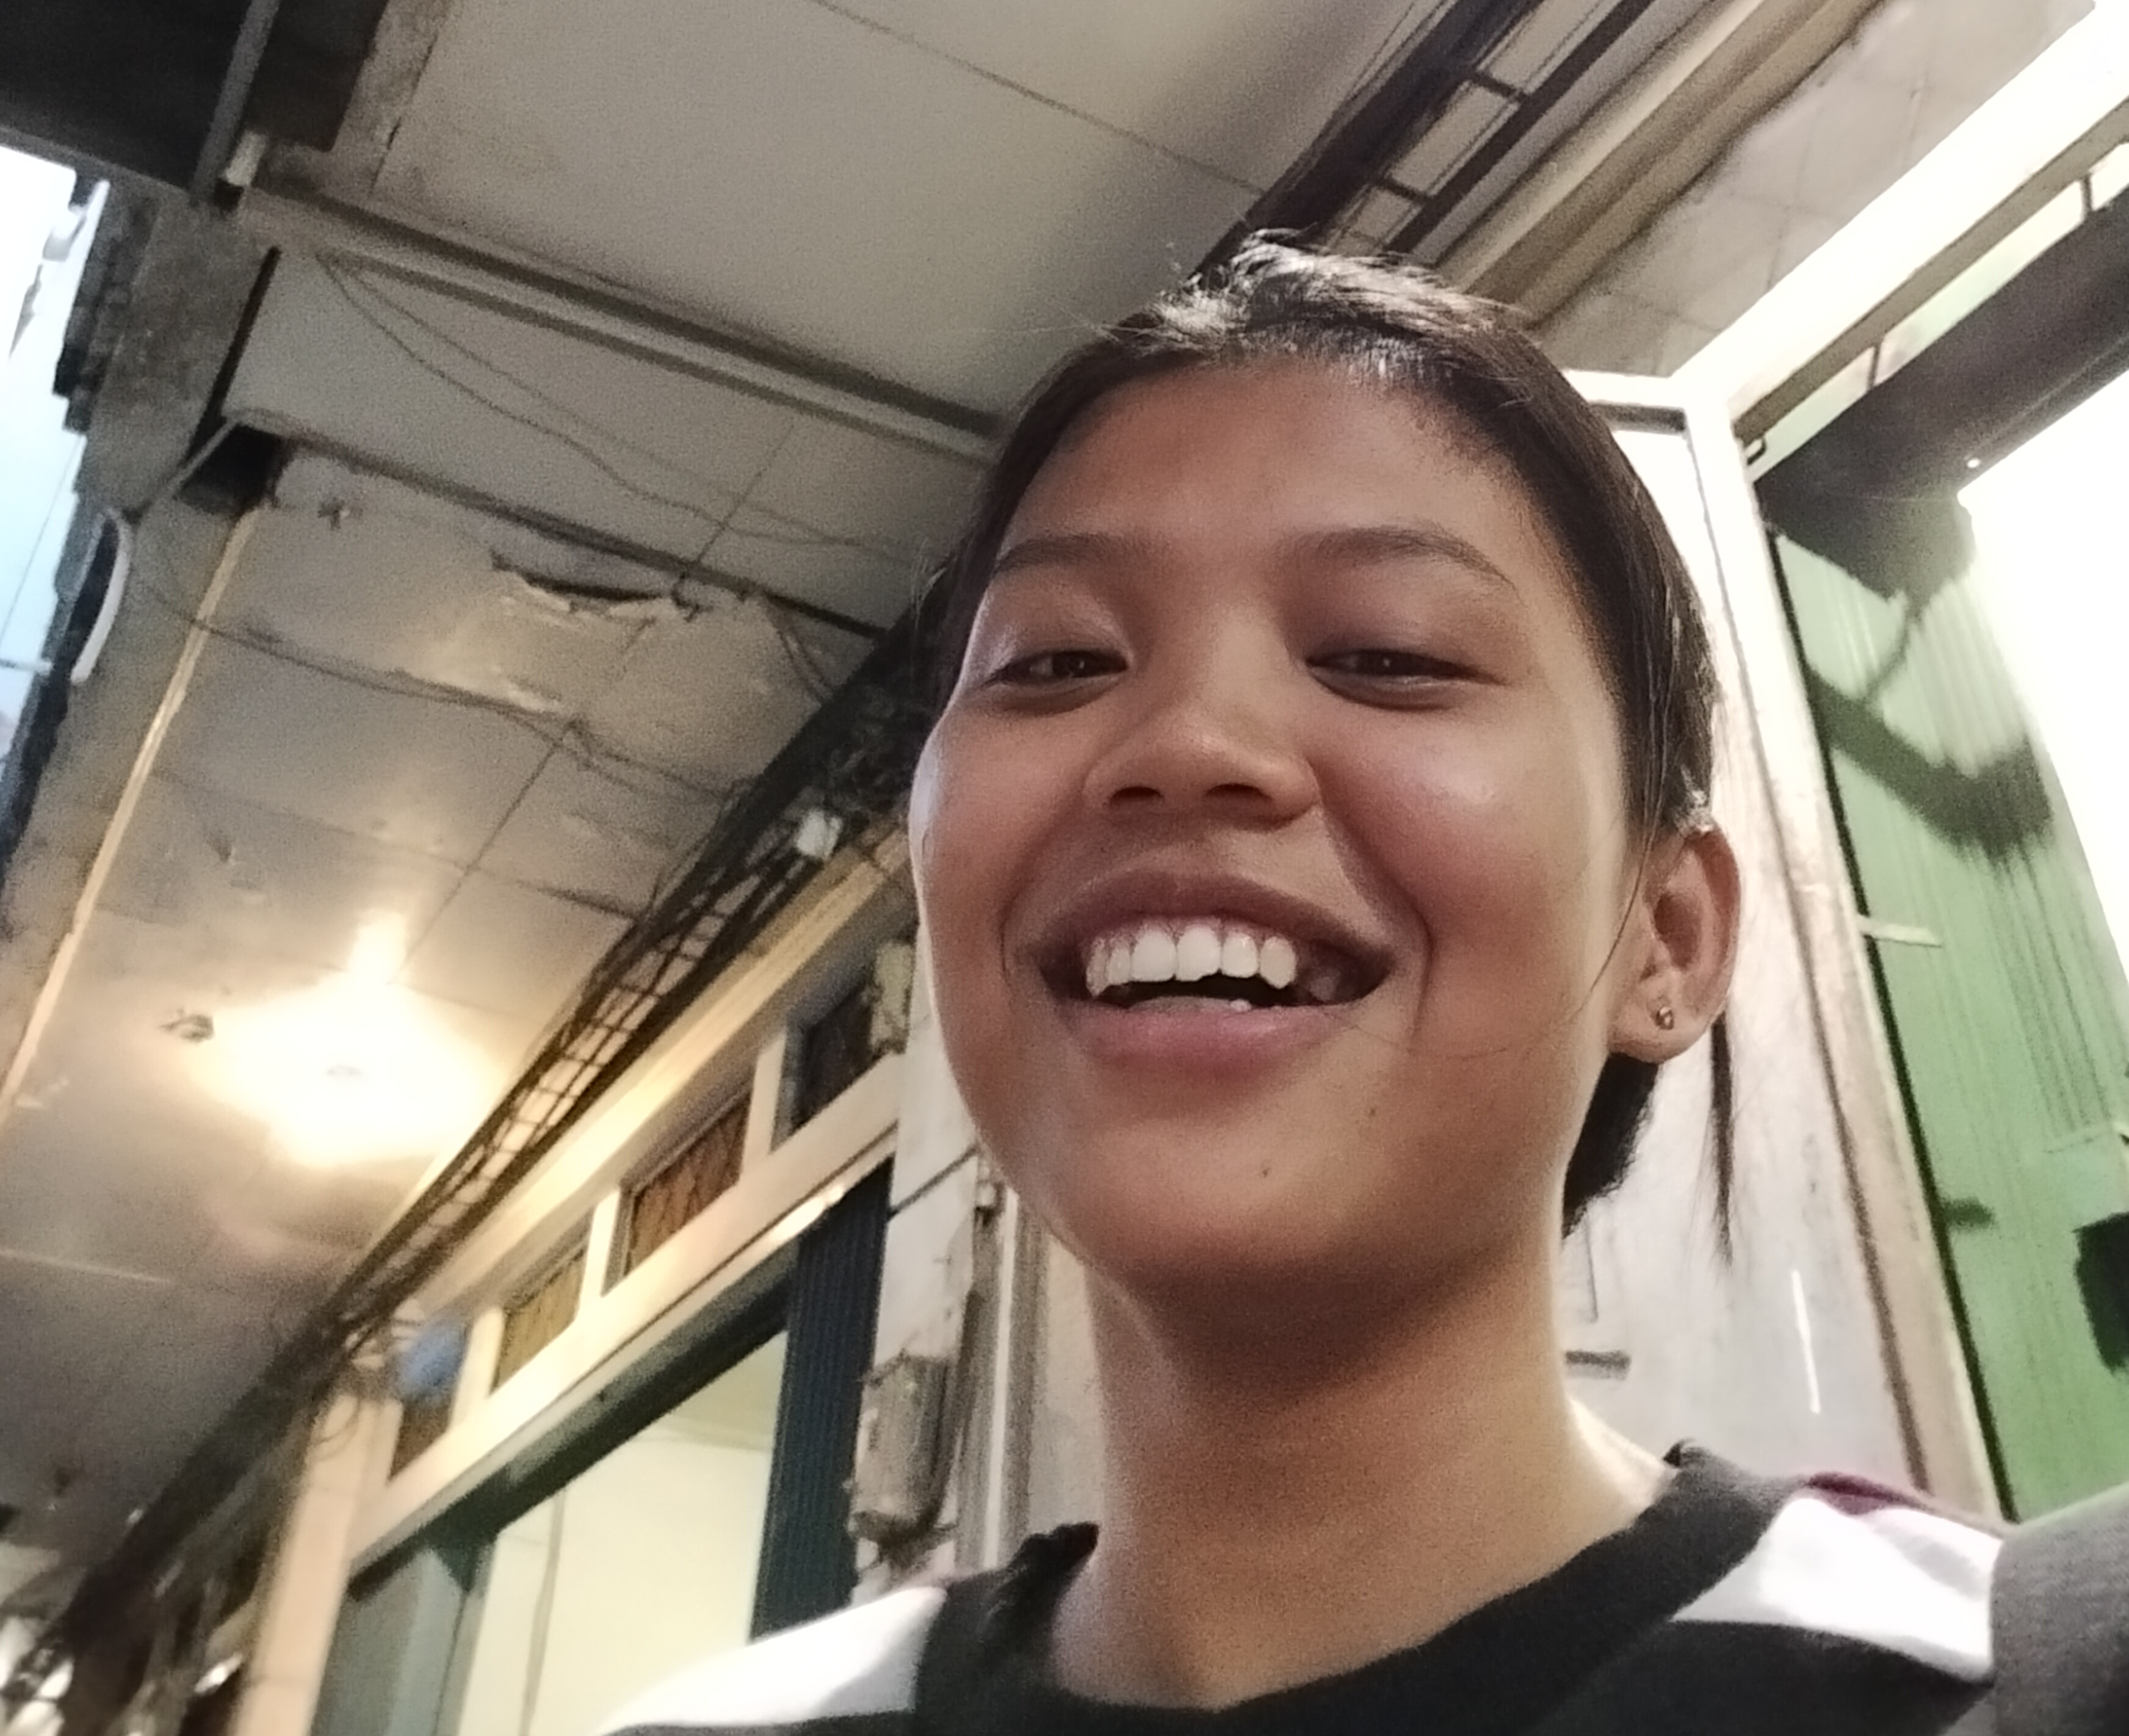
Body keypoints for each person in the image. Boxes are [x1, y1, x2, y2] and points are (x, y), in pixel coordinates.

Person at [608, 245, 2126, 1736]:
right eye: (1056, 662)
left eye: (1388, 655)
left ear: (1664, 934)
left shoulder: (2020, 1680)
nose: (1185, 740)